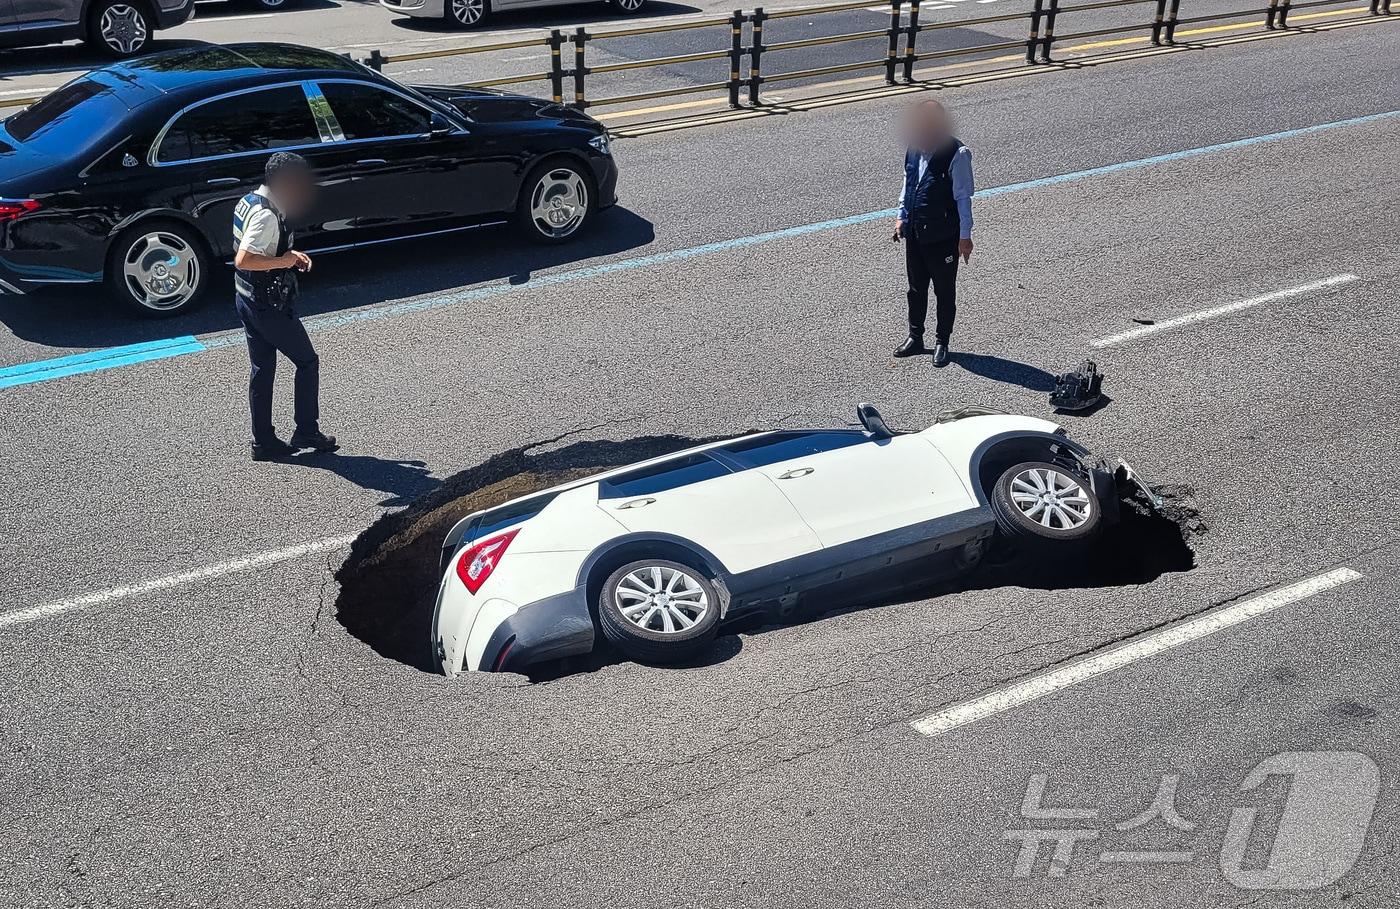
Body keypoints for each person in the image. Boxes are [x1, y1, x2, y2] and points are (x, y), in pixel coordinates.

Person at [233, 152, 338, 461]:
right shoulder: (266, 214)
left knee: (262, 369)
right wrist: (286, 260)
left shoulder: (252, 200)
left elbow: (253, 249)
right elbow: (244, 258)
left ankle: (263, 441)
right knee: (307, 361)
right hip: (268, 304)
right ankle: (306, 430)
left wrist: (289, 253)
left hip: (246, 297)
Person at [892, 100, 975, 367]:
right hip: (916, 232)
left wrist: (965, 236)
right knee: (916, 289)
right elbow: (909, 182)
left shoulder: (957, 153)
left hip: (943, 237)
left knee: (944, 291)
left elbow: (964, 197)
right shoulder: (914, 148)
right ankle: (915, 337)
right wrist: (901, 217)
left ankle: (942, 341)